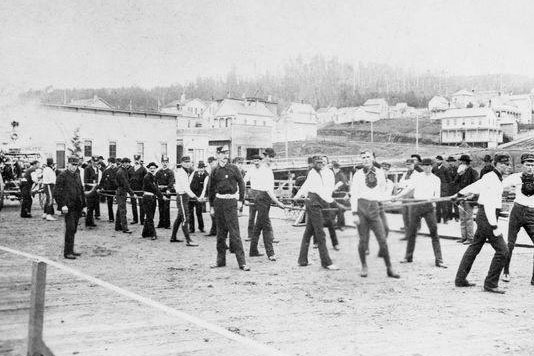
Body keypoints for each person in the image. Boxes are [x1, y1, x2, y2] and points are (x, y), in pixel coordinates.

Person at [454, 153, 511, 294]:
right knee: (503, 251)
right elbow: (490, 206)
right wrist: (494, 226)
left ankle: (460, 279)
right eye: (503, 164)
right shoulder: (493, 179)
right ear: (496, 164)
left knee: (474, 247)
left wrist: (460, 193)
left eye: (508, 164)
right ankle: (491, 284)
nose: (507, 166)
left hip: (484, 215)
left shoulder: (491, 176)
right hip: (488, 217)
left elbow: (476, 185)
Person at [351, 151, 400, 278]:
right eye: (363, 157)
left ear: (373, 158)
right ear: (361, 160)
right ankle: (364, 266)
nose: (366, 159)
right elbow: (354, 195)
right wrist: (354, 213)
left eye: (368, 157)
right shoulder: (357, 175)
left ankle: (389, 268)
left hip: (374, 207)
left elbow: (382, 191)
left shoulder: (379, 173)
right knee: (362, 240)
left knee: (382, 239)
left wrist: (391, 198)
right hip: (361, 208)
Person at [394, 158, 447, 268]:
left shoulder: (436, 179)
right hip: (416, 205)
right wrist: (397, 197)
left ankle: (439, 260)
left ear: (432, 166)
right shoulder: (417, 177)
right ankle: (408, 257)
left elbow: (437, 195)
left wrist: (432, 201)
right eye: (425, 165)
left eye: (429, 165)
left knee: (434, 232)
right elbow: (408, 189)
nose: (427, 167)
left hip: (428, 207)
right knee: (412, 232)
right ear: (422, 166)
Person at [294, 155, 339, 270]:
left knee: (309, 231)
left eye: (323, 162)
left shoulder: (329, 173)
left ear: (327, 163)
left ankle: (302, 260)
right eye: (318, 162)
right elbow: (307, 186)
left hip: (321, 201)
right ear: (315, 163)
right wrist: (297, 196)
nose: (321, 164)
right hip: (314, 203)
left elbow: (328, 190)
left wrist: (330, 201)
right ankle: (326, 262)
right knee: (320, 233)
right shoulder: (313, 173)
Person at [208, 145, 249, 271]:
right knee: (220, 234)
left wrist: (241, 200)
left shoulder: (233, 168)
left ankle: (242, 263)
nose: (224, 156)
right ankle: (220, 261)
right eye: (221, 153)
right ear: (217, 155)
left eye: (226, 153)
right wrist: (211, 206)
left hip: (231, 202)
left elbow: (242, 184)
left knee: (235, 233)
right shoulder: (214, 170)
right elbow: (210, 189)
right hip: (219, 202)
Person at [502, 153, 534, 284]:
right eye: (527, 165)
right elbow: (499, 186)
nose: (530, 168)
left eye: (532, 165)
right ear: (522, 165)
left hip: (532, 214)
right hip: (517, 211)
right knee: (510, 243)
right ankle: (505, 271)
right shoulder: (515, 177)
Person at [248, 148, 285, 261]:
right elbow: (268, 189)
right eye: (269, 157)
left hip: (263, 197)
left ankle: (253, 250)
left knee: (259, 224)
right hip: (262, 198)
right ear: (264, 157)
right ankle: (270, 253)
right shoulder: (264, 170)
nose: (271, 159)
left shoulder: (266, 169)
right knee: (266, 226)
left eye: (273, 157)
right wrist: (278, 202)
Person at [54, 156, 86, 259]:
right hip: (68, 207)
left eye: (76, 165)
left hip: (77, 207)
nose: (74, 167)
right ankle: (67, 252)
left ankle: (71, 250)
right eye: (72, 165)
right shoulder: (62, 176)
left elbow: (81, 190)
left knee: (74, 229)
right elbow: (57, 192)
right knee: (70, 229)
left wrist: (84, 206)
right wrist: (62, 205)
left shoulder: (77, 175)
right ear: (68, 164)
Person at [170, 156, 199, 246]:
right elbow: (186, 188)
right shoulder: (182, 173)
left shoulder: (185, 172)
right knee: (185, 218)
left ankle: (173, 237)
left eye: (188, 162)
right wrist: (196, 197)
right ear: (181, 163)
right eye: (185, 162)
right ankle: (188, 240)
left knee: (179, 218)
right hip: (182, 196)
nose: (187, 163)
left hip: (184, 197)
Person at [455, 155, 479, 245]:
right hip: (461, 197)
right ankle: (463, 237)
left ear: (467, 163)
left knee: (468, 218)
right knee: (462, 218)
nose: (462, 163)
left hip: (468, 197)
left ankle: (470, 238)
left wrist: (472, 195)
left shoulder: (473, 172)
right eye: (461, 162)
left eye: (463, 162)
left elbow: (476, 185)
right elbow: (455, 182)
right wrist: (458, 174)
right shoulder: (460, 172)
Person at [397, 158, 421, 240]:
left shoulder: (417, 174)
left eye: (410, 164)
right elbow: (400, 184)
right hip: (404, 197)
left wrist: (404, 185)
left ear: (414, 165)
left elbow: (411, 186)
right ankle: (407, 235)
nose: (409, 166)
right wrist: (404, 185)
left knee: (412, 217)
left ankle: (413, 235)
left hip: (412, 197)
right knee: (405, 216)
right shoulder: (404, 174)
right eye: (407, 164)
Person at [142, 162, 165, 240]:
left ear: (155, 169)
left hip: (152, 198)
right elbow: (153, 188)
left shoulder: (153, 177)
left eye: (154, 168)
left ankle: (145, 233)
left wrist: (160, 194)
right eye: (151, 168)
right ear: (148, 169)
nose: (152, 170)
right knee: (149, 216)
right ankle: (153, 234)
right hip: (147, 198)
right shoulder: (147, 177)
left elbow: (156, 188)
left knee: (150, 216)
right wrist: (161, 196)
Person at [243, 155, 262, 241]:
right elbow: (244, 180)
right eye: (254, 160)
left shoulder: (264, 170)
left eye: (258, 160)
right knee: (251, 216)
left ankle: (270, 236)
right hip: (253, 193)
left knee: (264, 216)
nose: (256, 162)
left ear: (260, 161)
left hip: (262, 193)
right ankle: (250, 235)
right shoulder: (251, 170)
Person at [115, 157, 134, 234]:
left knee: (120, 209)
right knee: (123, 210)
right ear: (122, 163)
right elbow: (126, 184)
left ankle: (118, 226)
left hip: (121, 191)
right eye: (126, 163)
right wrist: (132, 193)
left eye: (128, 163)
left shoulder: (123, 170)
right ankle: (125, 228)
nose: (128, 164)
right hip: (121, 191)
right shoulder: (121, 171)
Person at [189, 161, 209, 233]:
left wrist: (201, 197)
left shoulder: (206, 175)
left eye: (202, 168)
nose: (200, 169)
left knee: (199, 212)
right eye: (199, 168)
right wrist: (190, 194)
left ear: (204, 168)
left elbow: (205, 187)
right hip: (192, 195)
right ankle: (191, 228)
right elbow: (189, 182)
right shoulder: (194, 173)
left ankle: (201, 227)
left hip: (199, 196)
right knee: (190, 212)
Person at [155, 156, 174, 229]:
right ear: (161, 163)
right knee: (160, 207)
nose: (165, 164)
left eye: (166, 162)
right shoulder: (159, 172)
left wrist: (168, 189)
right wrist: (157, 189)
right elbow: (155, 181)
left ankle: (167, 224)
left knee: (166, 207)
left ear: (168, 163)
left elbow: (171, 182)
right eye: (163, 162)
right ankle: (161, 223)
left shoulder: (170, 172)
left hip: (167, 191)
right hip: (160, 191)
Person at [432, 155, 452, 224]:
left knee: (444, 205)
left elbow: (449, 180)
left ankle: (445, 220)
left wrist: (445, 187)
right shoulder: (434, 168)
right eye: (436, 160)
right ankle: (438, 219)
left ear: (441, 161)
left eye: (439, 160)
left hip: (443, 189)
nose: (437, 161)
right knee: (437, 205)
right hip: (436, 188)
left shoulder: (445, 169)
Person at [128, 155, 147, 225]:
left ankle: (142, 220)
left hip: (140, 190)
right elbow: (128, 179)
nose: (136, 161)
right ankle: (135, 219)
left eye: (138, 160)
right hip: (133, 190)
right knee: (133, 204)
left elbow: (146, 180)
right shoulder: (130, 169)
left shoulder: (143, 169)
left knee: (142, 204)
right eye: (135, 160)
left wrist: (144, 189)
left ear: (140, 160)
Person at [332, 161, 349, 230]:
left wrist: (337, 187)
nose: (335, 169)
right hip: (336, 194)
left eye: (336, 168)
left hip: (341, 194)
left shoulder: (341, 175)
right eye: (335, 168)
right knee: (337, 209)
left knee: (340, 210)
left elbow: (344, 183)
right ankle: (339, 224)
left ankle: (340, 224)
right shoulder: (334, 175)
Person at [100, 157, 118, 222]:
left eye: (113, 163)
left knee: (120, 205)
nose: (112, 164)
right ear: (109, 163)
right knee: (109, 204)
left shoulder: (118, 170)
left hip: (117, 189)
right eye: (111, 163)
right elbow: (102, 180)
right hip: (109, 189)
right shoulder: (106, 171)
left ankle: (119, 218)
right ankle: (111, 218)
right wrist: (101, 187)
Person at [204, 156, 218, 236]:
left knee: (216, 214)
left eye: (213, 162)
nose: (211, 164)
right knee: (212, 214)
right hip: (211, 195)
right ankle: (213, 230)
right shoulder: (211, 171)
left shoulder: (217, 170)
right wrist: (206, 194)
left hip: (216, 195)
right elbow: (208, 185)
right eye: (210, 163)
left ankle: (216, 230)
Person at [83, 158, 99, 227]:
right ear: (91, 161)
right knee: (89, 206)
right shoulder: (87, 169)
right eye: (94, 161)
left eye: (96, 161)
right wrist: (93, 185)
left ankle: (91, 221)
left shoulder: (97, 169)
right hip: (89, 190)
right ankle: (88, 222)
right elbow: (85, 181)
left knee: (93, 206)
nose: (95, 163)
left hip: (95, 190)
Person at [445, 156, 459, 221]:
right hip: (449, 187)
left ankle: (457, 216)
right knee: (449, 202)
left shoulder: (458, 168)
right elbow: (446, 178)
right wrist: (450, 182)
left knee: (456, 202)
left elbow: (458, 177)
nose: (450, 163)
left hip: (456, 187)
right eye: (449, 162)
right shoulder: (446, 169)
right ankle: (449, 216)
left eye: (452, 161)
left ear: (454, 162)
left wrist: (455, 182)